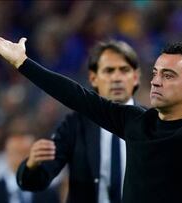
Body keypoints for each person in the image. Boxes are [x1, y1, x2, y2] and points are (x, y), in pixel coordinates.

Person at [0, 30, 182, 203]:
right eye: (155, 74)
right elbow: (79, 97)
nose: (156, 82)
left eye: (168, 76)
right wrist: (23, 63)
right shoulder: (136, 121)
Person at [16, 40, 141, 203]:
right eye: (109, 71)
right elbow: (38, 181)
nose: (117, 78)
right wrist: (32, 165)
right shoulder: (74, 125)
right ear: (93, 78)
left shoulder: (150, 123)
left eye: (124, 70)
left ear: (136, 77)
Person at [0, 133, 60, 203]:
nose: (21, 157)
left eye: (26, 152)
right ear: (7, 155)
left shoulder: (48, 194)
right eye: (16, 152)